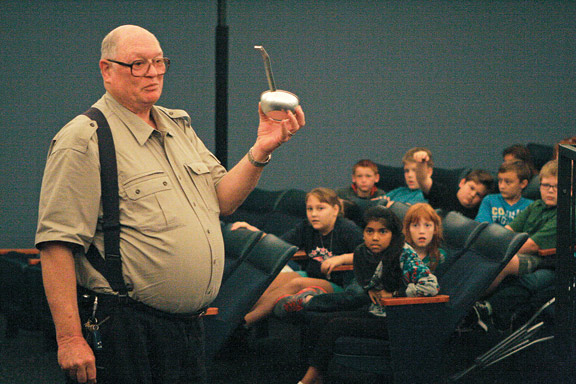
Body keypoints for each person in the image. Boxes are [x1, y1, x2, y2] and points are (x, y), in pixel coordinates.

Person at [35, 25, 305, 384]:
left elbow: (222, 200)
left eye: (159, 61)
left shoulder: (177, 126)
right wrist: (69, 338)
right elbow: (56, 246)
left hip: (186, 331)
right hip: (124, 329)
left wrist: (261, 150)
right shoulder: (84, 140)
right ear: (107, 70)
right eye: (138, 64)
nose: (153, 71)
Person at [297, 206, 439, 384]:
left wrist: (396, 294)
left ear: (393, 234)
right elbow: (367, 280)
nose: (375, 237)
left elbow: (431, 286)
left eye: (383, 231)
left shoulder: (404, 254)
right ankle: (317, 375)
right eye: (369, 231)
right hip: (376, 312)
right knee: (316, 319)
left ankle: (307, 380)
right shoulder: (363, 252)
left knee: (336, 325)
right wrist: (370, 288)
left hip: (398, 320)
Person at [231, 187, 363, 325]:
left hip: (339, 286)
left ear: (335, 210)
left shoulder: (347, 228)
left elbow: (369, 254)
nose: (314, 214)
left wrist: (341, 258)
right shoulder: (307, 227)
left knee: (296, 283)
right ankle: (237, 316)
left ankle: (245, 323)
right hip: (312, 275)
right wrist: (255, 232)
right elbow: (279, 244)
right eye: (310, 209)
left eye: (320, 208)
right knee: (272, 280)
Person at [486, 160, 558, 293]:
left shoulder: (566, 212)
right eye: (545, 185)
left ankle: (473, 304)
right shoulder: (536, 205)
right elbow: (507, 231)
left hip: (543, 260)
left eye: (556, 186)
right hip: (522, 251)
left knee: (505, 262)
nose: (550, 191)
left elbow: (532, 246)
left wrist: (499, 251)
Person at [412, 149, 494, 218]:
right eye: (471, 188)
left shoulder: (480, 213)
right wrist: (421, 163)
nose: (473, 195)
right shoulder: (443, 193)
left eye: (478, 194)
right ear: (462, 183)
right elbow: (423, 179)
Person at [475, 161, 533, 226]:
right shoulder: (489, 200)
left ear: (523, 184)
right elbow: (483, 228)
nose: (502, 186)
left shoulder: (531, 206)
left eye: (508, 182)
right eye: (500, 181)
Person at [336, 159, 386, 224]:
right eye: (359, 176)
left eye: (368, 176)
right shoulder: (341, 194)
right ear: (353, 178)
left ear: (376, 178)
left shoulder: (382, 195)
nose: (363, 180)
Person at [403, 203, 446, 272]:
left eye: (427, 225)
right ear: (408, 229)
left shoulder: (440, 257)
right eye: (415, 225)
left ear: (435, 229)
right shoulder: (399, 253)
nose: (421, 231)